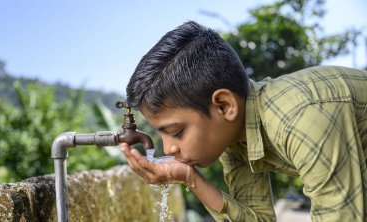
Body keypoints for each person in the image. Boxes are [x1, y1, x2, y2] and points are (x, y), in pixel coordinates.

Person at [120, 21, 367, 221]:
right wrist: (189, 178)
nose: (169, 149)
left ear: (224, 105)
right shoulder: (235, 138)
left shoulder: (300, 116)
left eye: (176, 131)